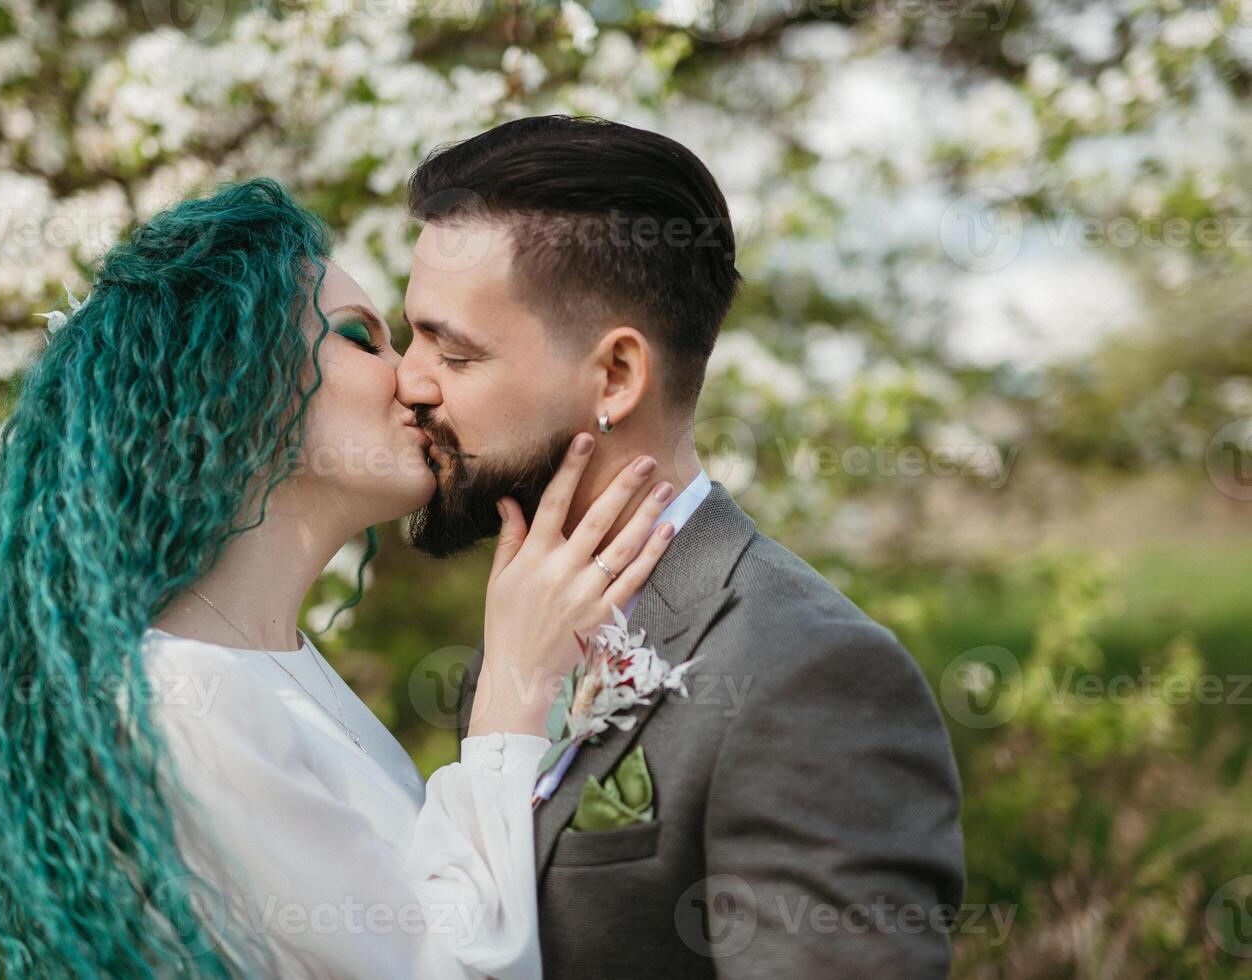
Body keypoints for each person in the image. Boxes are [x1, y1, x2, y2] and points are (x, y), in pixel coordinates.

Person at [0, 177, 675, 977]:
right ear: (236, 379)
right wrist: (512, 690)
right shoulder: (186, 694)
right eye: (364, 340)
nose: (417, 382)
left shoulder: (271, 670)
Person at [404, 115, 968, 977]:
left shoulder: (808, 673)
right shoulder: (525, 627)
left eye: (454, 351)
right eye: (414, 337)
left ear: (617, 377)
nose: (410, 380)